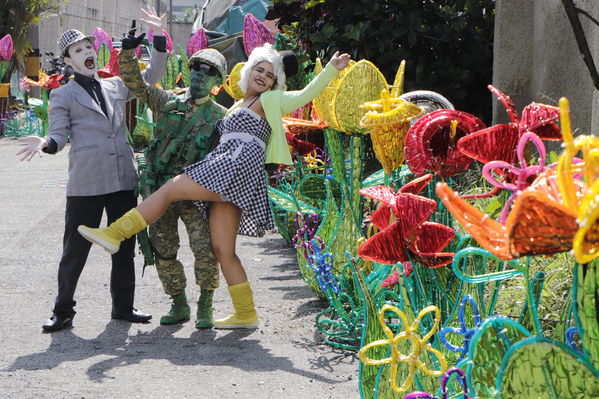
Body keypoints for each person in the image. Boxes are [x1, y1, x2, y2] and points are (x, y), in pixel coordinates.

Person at [79, 44, 351, 329]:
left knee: (170, 189)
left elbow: (306, 95)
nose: (263, 77)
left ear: (274, 83)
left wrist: (331, 68)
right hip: (234, 170)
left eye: (270, 75)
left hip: (234, 167)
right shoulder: (238, 105)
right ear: (248, 72)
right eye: (259, 70)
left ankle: (115, 233)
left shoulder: (270, 100)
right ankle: (245, 313)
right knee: (223, 250)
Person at [16, 7, 168, 333]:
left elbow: (151, 79)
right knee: (75, 249)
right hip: (86, 182)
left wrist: (157, 39)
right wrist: (45, 142)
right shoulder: (63, 95)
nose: (86, 52)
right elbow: (58, 133)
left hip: (122, 178)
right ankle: (63, 310)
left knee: (124, 245)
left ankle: (123, 308)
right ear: (68, 61)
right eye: (78, 50)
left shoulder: (115, 85)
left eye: (88, 47)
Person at [119, 40, 228, 328]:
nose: (199, 75)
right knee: (163, 249)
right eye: (195, 69)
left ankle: (205, 304)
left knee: (204, 248)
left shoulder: (221, 117)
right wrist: (128, 53)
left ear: (218, 80)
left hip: (195, 195)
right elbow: (135, 83)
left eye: (208, 71)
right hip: (161, 192)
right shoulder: (167, 101)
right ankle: (179, 303)